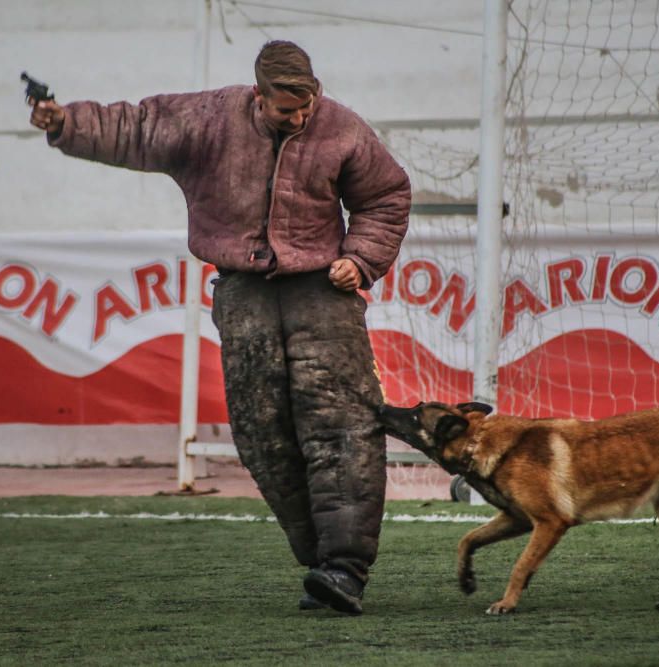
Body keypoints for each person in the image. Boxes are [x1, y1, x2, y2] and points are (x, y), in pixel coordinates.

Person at [28, 40, 411, 614]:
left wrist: (359, 259)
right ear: (259, 97)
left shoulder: (345, 129)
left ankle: (346, 566)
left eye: (307, 107)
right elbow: (135, 129)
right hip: (242, 292)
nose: (300, 118)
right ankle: (320, 562)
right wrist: (68, 122)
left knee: (342, 426)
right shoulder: (208, 119)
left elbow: (385, 197)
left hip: (324, 292)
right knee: (262, 432)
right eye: (287, 110)